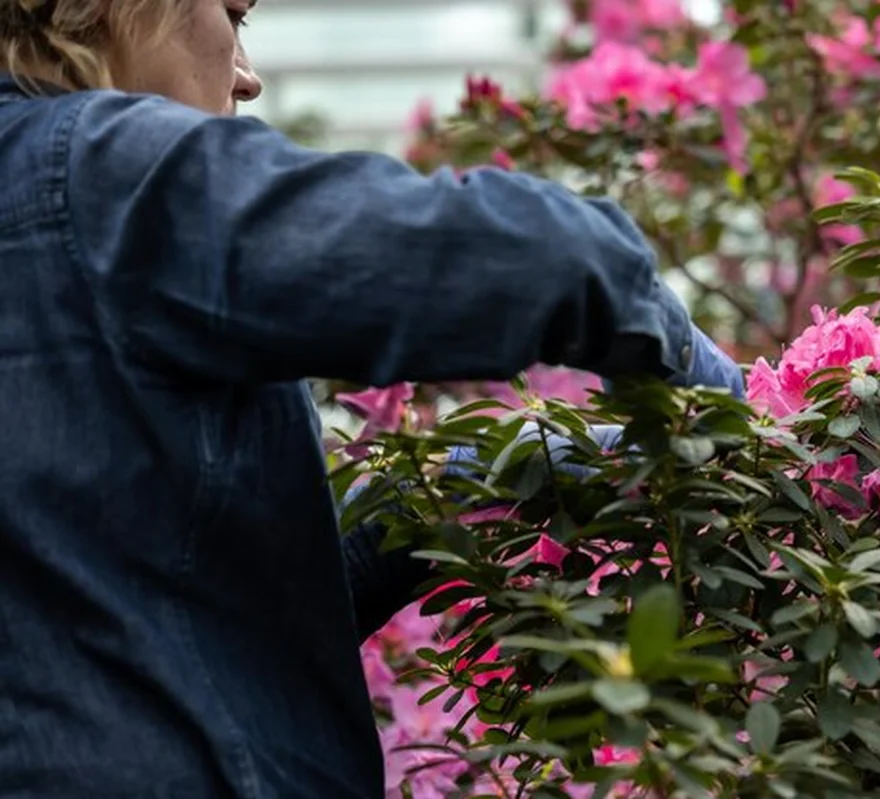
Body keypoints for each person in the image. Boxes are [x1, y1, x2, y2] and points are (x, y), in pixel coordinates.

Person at [0, 1, 744, 797]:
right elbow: (543, 262)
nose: (247, 78)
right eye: (233, 14)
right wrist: (704, 384)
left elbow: (168, 595)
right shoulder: (99, 174)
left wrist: (488, 474)